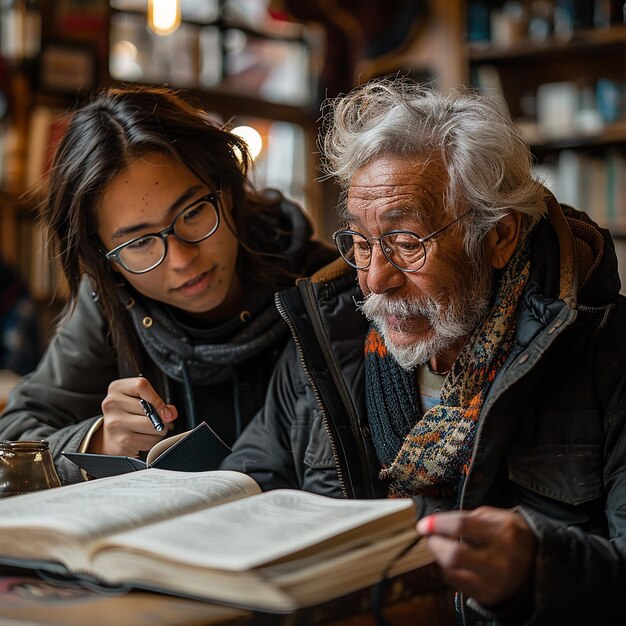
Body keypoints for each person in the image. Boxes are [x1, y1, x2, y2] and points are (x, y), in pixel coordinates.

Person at [221, 78, 626, 624]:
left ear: (499, 236)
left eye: (407, 242)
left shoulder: (610, 353)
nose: (375, 280)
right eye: (362, 244)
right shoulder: (326, 342)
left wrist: (536, 571)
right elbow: (245, 491)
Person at [0, 85, 334, 485]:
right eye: (139, 242)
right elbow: (11, 441)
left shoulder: (326, 286)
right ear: (106, 257)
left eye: (192, 212)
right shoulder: (108, 303)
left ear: (226, 191)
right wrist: (98, 441)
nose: (181, 259)